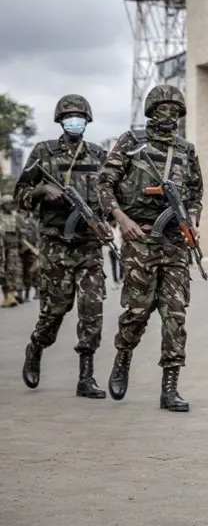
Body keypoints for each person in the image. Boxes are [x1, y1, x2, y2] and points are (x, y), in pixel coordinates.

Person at [97, 84, 203, 412]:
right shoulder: (131, 142)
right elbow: (104, 184)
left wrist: (192, 221)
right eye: (163, 107)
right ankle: (123, 357)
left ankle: (170, 387)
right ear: (152, 110)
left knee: (175, 314)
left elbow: (196, 194)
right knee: (138, 311)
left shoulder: (186, 150)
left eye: (175, 107)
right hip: (139, 239)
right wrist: (121, 218)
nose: (168, 113)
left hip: (174, 242)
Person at [14, 94, 110, 398]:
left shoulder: (98, 155)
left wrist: (109, 221)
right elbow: (20, 195)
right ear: (60, 119)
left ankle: (86, 376)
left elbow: (112, 197)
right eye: (68, 115)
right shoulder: (44, 152)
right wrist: (43, 190)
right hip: (56, 243)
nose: (74, 120)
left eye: (79, 116)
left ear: (87, 120)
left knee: (92, 309)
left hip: (90, 245)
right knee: (56, 308)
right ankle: (36, 346)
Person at [1, 193, 25, 308]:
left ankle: (13, 294)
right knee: (3, 273)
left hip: (14, 248)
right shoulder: (0, 216)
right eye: (7, 203)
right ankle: (7, 296)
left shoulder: (17, 217)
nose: (10, 205)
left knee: (14, 270)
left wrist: (23, 247)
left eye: (11, 203)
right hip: (2, 248)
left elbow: (22, 234)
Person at [19, 210, 41, 303]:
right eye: (21, 212)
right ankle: (22, 294)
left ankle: (35, 292)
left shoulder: (32, 222)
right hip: (20, 251)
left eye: (24, 212)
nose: (23, 213)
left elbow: (36, 236)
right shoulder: (18, 221)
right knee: (21, 273)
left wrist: (36, 249)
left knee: (32, 272)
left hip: (31, 251)